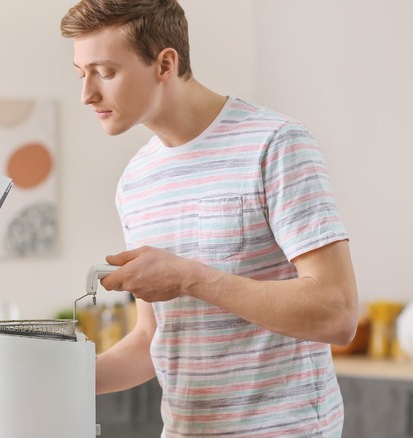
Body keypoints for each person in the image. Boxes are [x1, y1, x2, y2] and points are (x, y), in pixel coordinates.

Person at [60, 1, 359, 436]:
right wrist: (41, 372)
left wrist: (190, 278)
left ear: (165, 63)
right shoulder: (136, 180)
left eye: (104, 72)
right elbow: (150, 340)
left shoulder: (275, 144)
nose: (86, 94)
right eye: (80, 73)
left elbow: (338, 313)